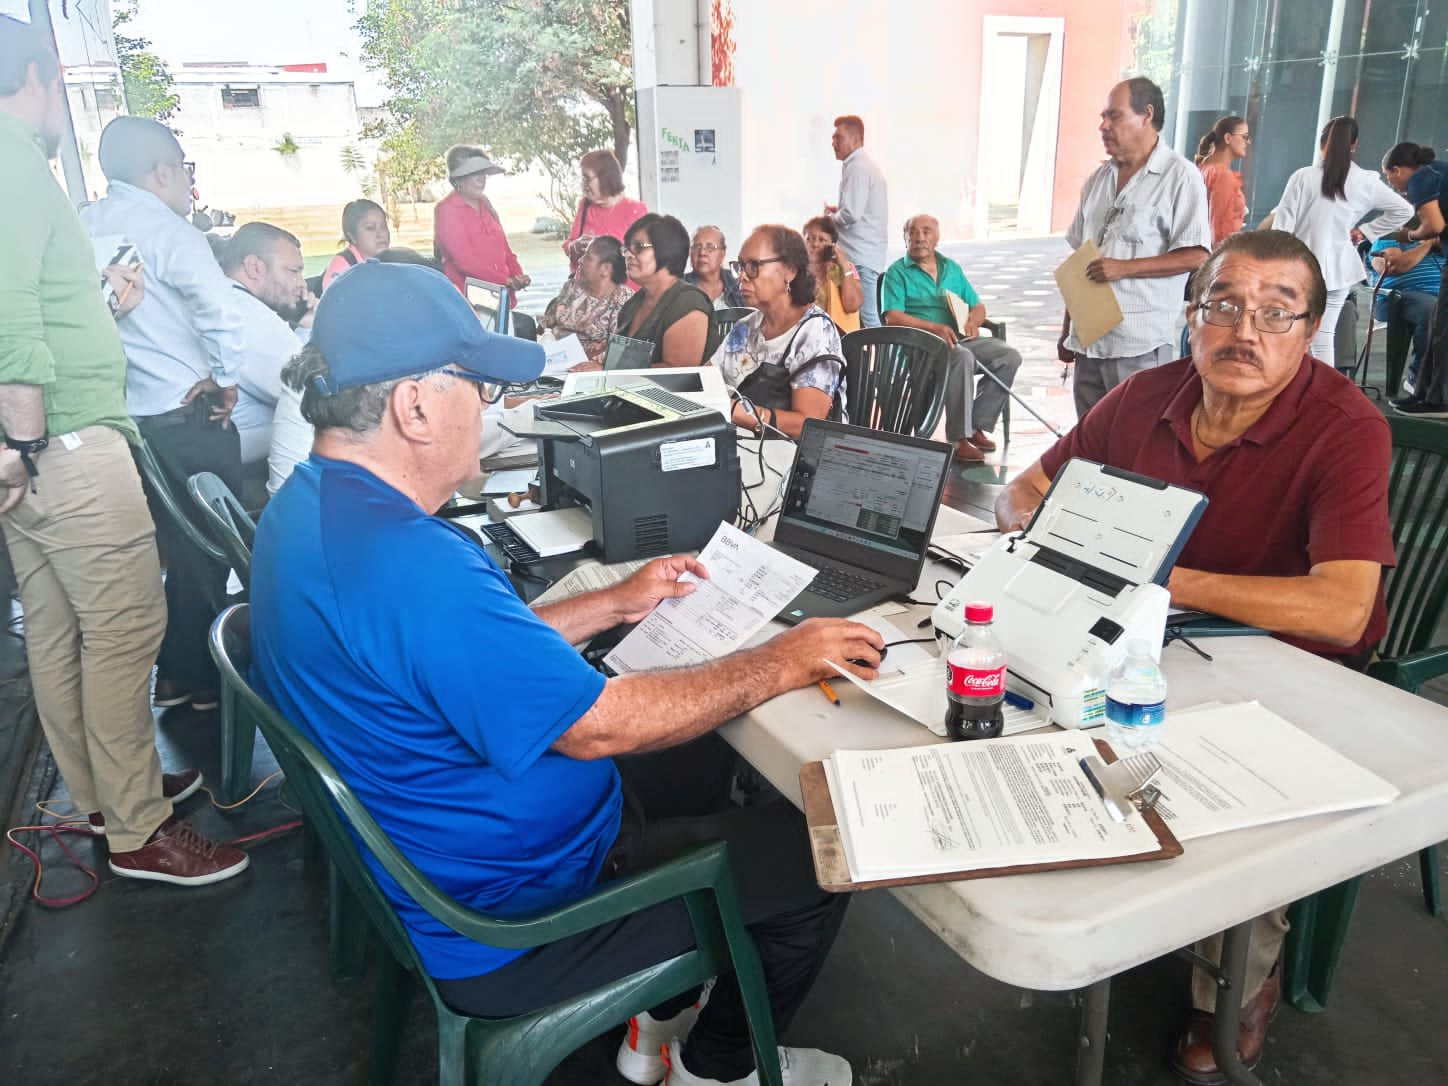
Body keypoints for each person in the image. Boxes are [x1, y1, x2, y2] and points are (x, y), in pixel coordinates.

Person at [250, 259, 881, 1086]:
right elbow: (600, 727)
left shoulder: (313, 508)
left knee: (714, 750)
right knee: (820, 855)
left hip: (461, 850)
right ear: (413, 406)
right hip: (521, 915)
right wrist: (782, 658)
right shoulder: (405, 562)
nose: (490, 408)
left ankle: (654, 1026)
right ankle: (720, 1068)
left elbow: (446, 659)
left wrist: (611, 603)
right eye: (475, 386)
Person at [997, 229, 1393, 1084]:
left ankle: (1242, 976)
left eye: (1277, 313)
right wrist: (1076, 546)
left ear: (1311, 330)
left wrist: (1166, 578)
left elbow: (1343, 608)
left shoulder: (1344, 427)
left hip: (1289, 669)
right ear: (1190, 316)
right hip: (1147, 643)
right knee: (1016, 694)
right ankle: (1106, 896)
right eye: (1224, 306)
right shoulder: (1147, 394)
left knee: (1223, 803)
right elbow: (1020, 492)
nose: (1245, 331)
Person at [0, 16, 247, 885]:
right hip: (62, 441)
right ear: (39, 73)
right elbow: (11, 310)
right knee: (128, 624)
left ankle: (109, 795)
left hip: (45, 441)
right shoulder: (13, 158)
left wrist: (103, 311)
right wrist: (22, 435)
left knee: (63, 629)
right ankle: (140, 828)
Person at [81, 115, 247, 710]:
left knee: (166, 553)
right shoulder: (171, 231)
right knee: (207, 549)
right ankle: (204, 679)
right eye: (185, 168)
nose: (188, 183)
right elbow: (218, 310)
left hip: (126, 423)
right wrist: (226, 381)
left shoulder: (84, 225)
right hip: (188, 414)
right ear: (162, 171)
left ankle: (174, 675)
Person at [1060, 77, 1212, 418]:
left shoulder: (1180, 177)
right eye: (1103, 117)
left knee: (1133, 443)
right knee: (1089, 439)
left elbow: (1197, 254)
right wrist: (1068, 328)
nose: (1103, 126)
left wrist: (1124, 267)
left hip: (1138, 342)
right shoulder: (1098, 180)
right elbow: (1080, 259)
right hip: (1090, 337)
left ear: (1147, 115)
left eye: (1114, 116)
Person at [1268, 116, 1411, 369]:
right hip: (1338, 268)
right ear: (1354, 145)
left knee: (1286, 333)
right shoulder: (1366, 182)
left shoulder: (1303, 177)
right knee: (1323, 338)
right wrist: (1365, 231)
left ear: (1323, 142)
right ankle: (1321, 398)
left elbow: (1282, 227)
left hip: (1297, 268)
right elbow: (1404, 211)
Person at [881, 215, 1021, 462]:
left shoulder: (951, 268)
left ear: (937, 237)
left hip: (958, 339)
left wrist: (972, 321)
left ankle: (977, 424)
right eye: (913, 232)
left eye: (926, 232)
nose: (919, 237)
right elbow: (892, 317)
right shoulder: (897, 272)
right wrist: (934, 328)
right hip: (920, 347)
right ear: (905, 238)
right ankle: (959, 439)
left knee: (1008, 356)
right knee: (961, 356)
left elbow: (977, 306)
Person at [712, 225, 845, 438]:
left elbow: (808, 425)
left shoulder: (814, 331)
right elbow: (707, 379)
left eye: (754, 266)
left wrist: (738, 412)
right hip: (742, 445)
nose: (742, 277)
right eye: (741, 266)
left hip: (790, 459)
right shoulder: (746, 327)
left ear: (789, 270)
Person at [220, 222, 311, 464]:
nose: (301, 283)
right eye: (293, 271)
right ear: (254, 267)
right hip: (243, 454)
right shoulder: (242, 311)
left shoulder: (227, 300)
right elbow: (306, 389)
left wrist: (304, 327)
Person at [1381, 141, 1448, 416]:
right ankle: (1425, 395)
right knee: (1439, 326)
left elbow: (1435, 225)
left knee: (1443, 330)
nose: (1394, 187)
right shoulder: (1439, 171)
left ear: (1397, 170)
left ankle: (1438, 400)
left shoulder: (1422, 178)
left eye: (1389, 178)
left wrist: (1410, 235)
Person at [615, 213, 720, 366]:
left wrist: (608, 371)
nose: (628, 255)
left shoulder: (688, 302)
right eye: (627, 248)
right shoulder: (635, 302)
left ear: (666, 249)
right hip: (627, 387)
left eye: (638, 247)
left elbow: (676, 375)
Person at [433, 145, 531, 296]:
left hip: (500, 294)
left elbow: (505, 250)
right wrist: (506, 281)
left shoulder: (486, 204)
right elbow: (465, 262)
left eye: (483, 173)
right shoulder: (446, 210)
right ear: (458, 179)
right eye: (473, 173)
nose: (481, 179)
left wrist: (518, 275)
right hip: (467, 298)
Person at [825, 114, 887, 328]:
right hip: (863, 255)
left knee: (868, 320)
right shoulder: (859, 165)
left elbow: (851, 214)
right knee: (861, 319)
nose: (833, 143)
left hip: (861, 256)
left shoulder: (858, 167)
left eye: (838, 138)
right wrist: (838, 211)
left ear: (855, 138)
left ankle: (885, 362)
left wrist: (829, 219)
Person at [537, 235, 635, 367]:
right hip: (550, 361)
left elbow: (619, 349)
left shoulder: (623, 300)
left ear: (605, 269)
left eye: (588, 258)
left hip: (585, 368)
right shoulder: (572, 288)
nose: (580, 261)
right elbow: (544, 327)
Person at [1368, 231, 1444, 398]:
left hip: (1439, 297)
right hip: (1398, 298)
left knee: (1436, 307)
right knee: (1432, 309)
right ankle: (1421, 378)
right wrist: (1427, 244)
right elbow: (1393, 266)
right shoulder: (1389, 237)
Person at [562, 148, 648, 278]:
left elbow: (644, 252)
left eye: (587, 178)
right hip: (586, 290)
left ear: (605, 178)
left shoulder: (636, 210)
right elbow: (569, 245)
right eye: (582, 179)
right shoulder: (585, 206)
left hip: (623, 291)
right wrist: (575, 246)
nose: (582, 184)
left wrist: (605, 249)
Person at [1195, 115, 1250, 246]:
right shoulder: (1222, 175)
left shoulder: (1203, 168)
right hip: (1218, 256)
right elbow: (1219, 232)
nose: (1248, 142)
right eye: (1245, 137)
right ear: (1228, 138)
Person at [802, 215, 863, 334]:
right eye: (810, 238)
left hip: (837, 337)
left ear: (833, 244)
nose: (815, 244)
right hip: (803, 333)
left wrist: (844, 266)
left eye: (822, 240)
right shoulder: (796, 269)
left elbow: (852, 306)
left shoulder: (842, 269)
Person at [321, 199, 390, 291]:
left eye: (384, 226)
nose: (381, 234)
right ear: (352, 236)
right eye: (370, 228)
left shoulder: (393, 260)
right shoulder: (342, 268)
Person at [683, 225, 745, 310]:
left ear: (722, 253)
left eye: (710, 247)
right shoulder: (678, 288)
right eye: (697, 246)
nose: (702, 253)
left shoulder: (738, 284)